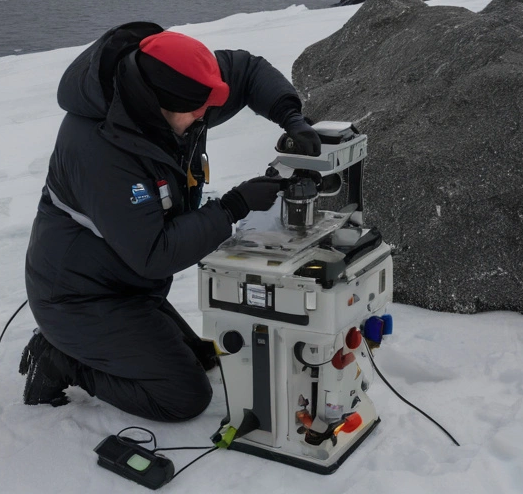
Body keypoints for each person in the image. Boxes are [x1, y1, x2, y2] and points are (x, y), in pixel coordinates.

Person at [20, 22, 320, 422]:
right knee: (183, 395)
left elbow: (247, 70)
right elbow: (154, 253)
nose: (204, 116)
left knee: (205, 360)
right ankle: (60, 359)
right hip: (79, 299)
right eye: (195, 110)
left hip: (126, 284)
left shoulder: (175, 81)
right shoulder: (101, 151)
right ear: (157, 104)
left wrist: (292, 117)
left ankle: (110, 342)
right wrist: (233, 206)